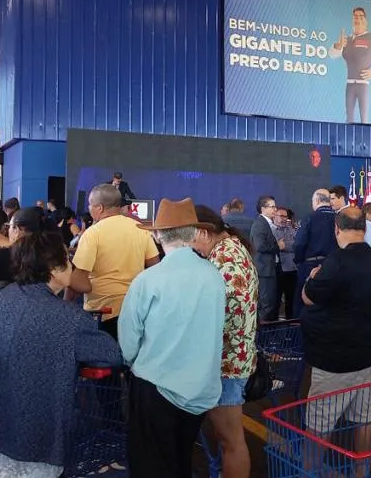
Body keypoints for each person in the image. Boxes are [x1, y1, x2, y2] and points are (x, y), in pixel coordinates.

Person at [0, 228, 122, 478]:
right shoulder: (70, 317)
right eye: (67, 259)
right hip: (38, 445)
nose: (71, 264)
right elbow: (111, 354)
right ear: (54, 269)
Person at [119, 198, 226, 478]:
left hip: (155, 386)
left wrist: (133, 362)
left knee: (151, 466)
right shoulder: (214, 276)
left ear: (157, 235)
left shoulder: (148, 280)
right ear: (193, 233)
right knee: (181, 459)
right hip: (200, 390)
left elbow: (128, 342)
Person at [300, 207, 371, 477]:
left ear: (337, 228)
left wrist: (312, 277)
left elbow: (308, 297)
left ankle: (310, 471)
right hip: (367, 353)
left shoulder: (335, 262)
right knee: (364, 417)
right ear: (363, 227)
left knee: (319, 423)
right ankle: (362, 471)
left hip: (333, 358)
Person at [192, 206, 258, 478]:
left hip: (227, 364)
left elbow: (224, 315)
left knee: (231, 440)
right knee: (228, 439)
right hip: (234, 357)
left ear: (204, 232)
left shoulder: (224, 260)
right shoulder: (230, 248)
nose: (191, 247)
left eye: (190, 238)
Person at [68, 184, 160, 336]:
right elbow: (155, 266)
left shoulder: (92, 233)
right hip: (135, 308)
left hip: (102, 311)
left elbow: (78, 280)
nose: (89, 209)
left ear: (99, 208)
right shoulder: (139, 228)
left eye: (90, 205)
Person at [328, 7, 371, 124]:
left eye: (361, 17)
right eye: (355, 17)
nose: (358, 19)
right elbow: (332, 54)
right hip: (350, 85)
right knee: (349, 118)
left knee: (364, 119)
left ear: (366, 21)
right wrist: (338, 46)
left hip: (363, 85)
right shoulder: (346, 40)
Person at [293, 189, 339, 317]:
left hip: (310, 266)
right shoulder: (339, 218)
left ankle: (299, 330)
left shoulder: (309, 218)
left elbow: (299, 243)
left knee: (303, 303)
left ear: (317, 200)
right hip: (334, 266)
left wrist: (298, 261)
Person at [251, 195, 282, 322]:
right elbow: (260, 246)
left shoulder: (267, 223)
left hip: (270, 269)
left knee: (270, 303)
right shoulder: (260, 224)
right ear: (263, 209)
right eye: (272, 206)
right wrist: (278, 246)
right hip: (264, 271)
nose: (275, 209)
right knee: (266, 304)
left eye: (275, 206)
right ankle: (263, 333)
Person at [275, 207, 298, 319]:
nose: (284, 219)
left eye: (286, 216)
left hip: (292, 269)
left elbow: (295, 245)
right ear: (275, 216)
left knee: (291, 299)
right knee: (276, 299)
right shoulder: (272, 230)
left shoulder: (291, 229)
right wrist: (280, 246)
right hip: (278, 269)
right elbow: (275, 246)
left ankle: (290, 324)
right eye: (281, 216)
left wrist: (283, 246)